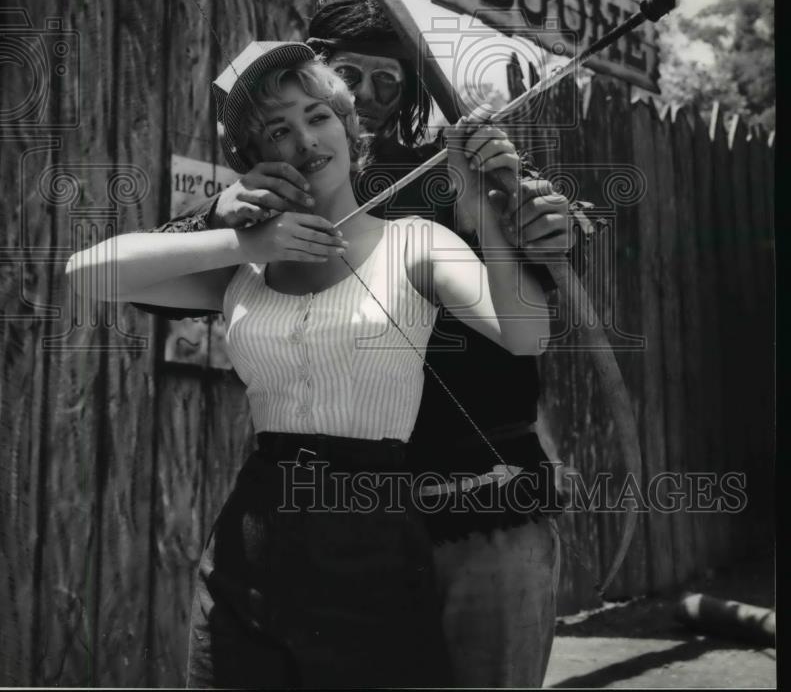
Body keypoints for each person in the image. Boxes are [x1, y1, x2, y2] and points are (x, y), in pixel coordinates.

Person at [65, 40, 555, 690]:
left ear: (348, 126)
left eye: (317, 115)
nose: (304, 138)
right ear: (255, 159)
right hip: (250, 535)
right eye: (278, 128)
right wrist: (237, 232)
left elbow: (525, 335)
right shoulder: (244, 266)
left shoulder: (415, 242)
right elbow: (88, 274)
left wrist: (485, 209)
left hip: (370, 529)